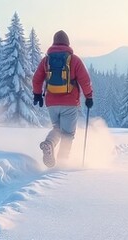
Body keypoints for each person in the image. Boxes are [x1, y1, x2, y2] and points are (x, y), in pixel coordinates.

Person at [32, 30, 94, 168]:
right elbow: (85, 80)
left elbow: (37, 78)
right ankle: (62, 162)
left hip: (51, 102)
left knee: (57, 129)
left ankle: (49, 143)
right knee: (68, 134)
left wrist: (37, 94)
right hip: (70, 103)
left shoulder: (46, 60)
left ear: (54, 42)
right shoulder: (74, 60)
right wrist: (89, 96)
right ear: (67, 43)